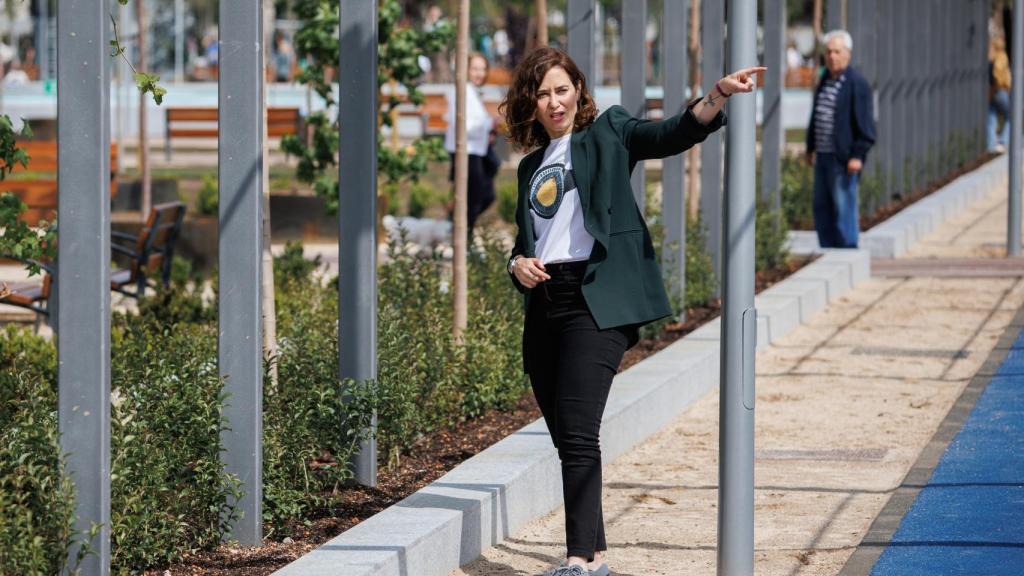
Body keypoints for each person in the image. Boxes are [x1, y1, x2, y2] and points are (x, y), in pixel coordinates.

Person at [500, 46, 762, 576]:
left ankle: (576, 560)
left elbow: (669, 134)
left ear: (578, 90)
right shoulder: (530, 166)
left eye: (562, 89)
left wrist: (715, 97)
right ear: (530, 103)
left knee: (577, 431)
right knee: (567, 437)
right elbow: (525, 240)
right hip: (545, 303)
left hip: (596, 300)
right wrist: (516, 265)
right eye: (543, 94)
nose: (554, 102)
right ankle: (593, 558)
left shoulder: (608, 133)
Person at [805, 29, 876, 249]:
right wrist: (810, 148)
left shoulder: (857, 84)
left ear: (848, 54)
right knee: (821, 205)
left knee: (844, 206)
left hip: (843, 160)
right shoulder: (825, 80)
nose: (832, 56)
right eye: (828, 52)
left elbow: (866, 127)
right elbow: (816, 116)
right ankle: (827, 249)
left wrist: (857, 155)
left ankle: (847, 250)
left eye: (837, 51)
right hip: (823, 157)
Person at [445, 52, 502, 236]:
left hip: (477, 151)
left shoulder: (472, 91)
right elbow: (463, 125)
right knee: (474, 197)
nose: (479, 73)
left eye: (483, 69)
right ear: (466, 69)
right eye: (475, 68)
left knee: (482, 196)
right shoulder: (460, 91)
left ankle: (463, 231)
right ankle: (462, 233)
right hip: (466, 152)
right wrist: (489, 124)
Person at [988, 35, 1012, 153]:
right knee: (1012, 116)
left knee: (991, 116)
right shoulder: (1001, 57)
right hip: (1001, 90)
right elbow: (998, 73)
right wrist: (1001, 83)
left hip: (991, 91)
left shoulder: (991, 57)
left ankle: (991, 144)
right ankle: (1003, 141)